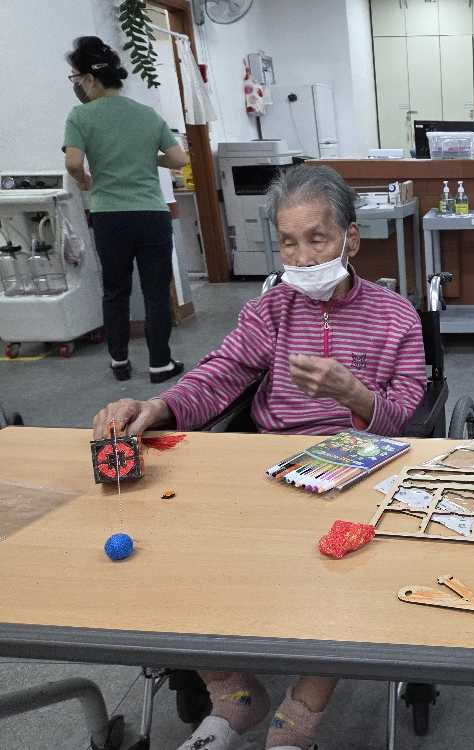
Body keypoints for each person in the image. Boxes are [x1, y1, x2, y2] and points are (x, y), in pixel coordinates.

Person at [93, 165, 426, 750]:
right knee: (170, 549)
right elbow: (223, 374)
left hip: (361, 468)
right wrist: (160, 406)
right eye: (288, 243)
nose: (302, 257)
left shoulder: (396, 317)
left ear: (350, 238)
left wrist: (355, 396)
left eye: (317, 239)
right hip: (270, 465)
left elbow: (406, 416)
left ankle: (297, 720)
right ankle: (235, 694)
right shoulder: (270, 311)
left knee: (345, 569)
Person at [64, 36, 189, 384]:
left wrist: (84, 181)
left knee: (115, 290)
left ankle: (119, 361)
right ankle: (160, 364)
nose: (77, 86)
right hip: (151, 215)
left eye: (76, 78)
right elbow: (179, 159)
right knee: (155, 291)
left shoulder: (80, 116)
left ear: (90, 78)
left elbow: (73, 163)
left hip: (110, 216)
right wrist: (147, 156)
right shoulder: (147, 114)